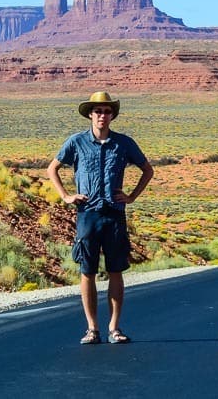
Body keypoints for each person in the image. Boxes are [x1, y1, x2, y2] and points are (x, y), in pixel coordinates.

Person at [47, 91, 153, 345]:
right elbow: (52, 168)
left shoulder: (124, 143)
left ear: (112, 115)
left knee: (116, 270)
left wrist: (132, 196)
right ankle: (92, 328)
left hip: (114, 214)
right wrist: (65, 196)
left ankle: (114, 327)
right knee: (87, 271)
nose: (102, 116)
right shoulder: (76, 142)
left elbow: (147, 170)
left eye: (106, 111)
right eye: (98, 111)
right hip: (87, 214)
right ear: (90, 115)